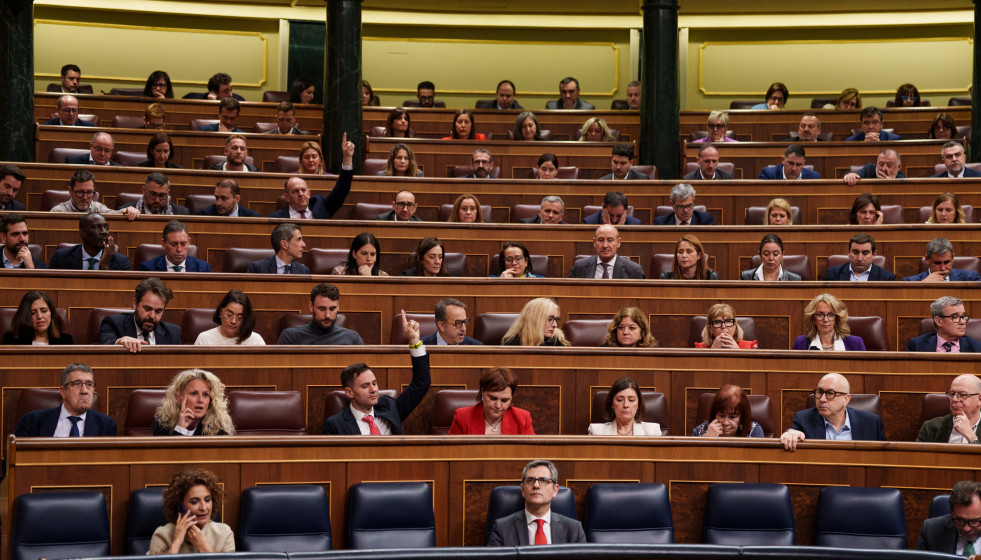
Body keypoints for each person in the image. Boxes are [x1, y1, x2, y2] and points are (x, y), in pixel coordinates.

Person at [322, 310, 429, 434]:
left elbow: (422, 383)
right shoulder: (335, 425)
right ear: (349, 392)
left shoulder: (390, 408)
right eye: (365, 386)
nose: (373, 389)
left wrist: (414, 341)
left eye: (374, 383)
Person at [487, 460, 586, 546]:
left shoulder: (574, 529)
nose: (536, 485)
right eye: (530, 480)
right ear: (522, 489)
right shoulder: (502, 528)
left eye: (544, 480)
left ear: (555, 490)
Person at [779, 373, 887, 451]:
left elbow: (883, 458)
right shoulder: (803, 419)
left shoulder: (871, 423)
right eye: (819, 392)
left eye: (830, 394)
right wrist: (790, 434)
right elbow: (793, 434)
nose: (822, 399)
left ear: (846, 399)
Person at [14, 363, 116, 437]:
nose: (84, 391)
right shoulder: (32, 421)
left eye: (89, 384)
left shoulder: (106, 425)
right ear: (63, 391)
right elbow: (12, 463)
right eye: (77, 384)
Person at [148, 468, 234, 554]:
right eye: (194, 502)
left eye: (207, 500)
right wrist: (176, 544)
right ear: (179, 506)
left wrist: (204, 549)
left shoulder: (224, 533)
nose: (203, 508)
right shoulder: (162, 535)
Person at [268, 134, 355, 218]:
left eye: (303, 190)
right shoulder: (276, 217)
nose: (301, 194)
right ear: (287, 197)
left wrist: (347, 157)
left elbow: (342, 190)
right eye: (295, 191)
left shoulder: (322, 207)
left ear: (309, 193)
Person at [98, 277, 181, 351]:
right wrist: (119, 342)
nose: (152, 316)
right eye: (147, 309)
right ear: (135, 303)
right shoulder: (113, 323)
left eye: (158, 311)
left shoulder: (173, 332)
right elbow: (106, 342)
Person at [449, 368, 533, 435]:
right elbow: (452, 453)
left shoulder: (523, 418)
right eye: (493, 398)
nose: (498, 405)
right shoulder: (462, 417)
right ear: (482, 392)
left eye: (504, 400)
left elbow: (531, 454)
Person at [152, 370, 234, 436]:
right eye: (194, 393)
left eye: (205, 395)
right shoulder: (162, 425)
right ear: (178, 397)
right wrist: (180, 429)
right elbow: (170, 456)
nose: (200, 400)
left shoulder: (217, 428)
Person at [278, 283, 364, 345]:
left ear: (338, 307)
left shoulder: (352, 338)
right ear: (311, 306)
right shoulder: (290, 336)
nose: (327, 315)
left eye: (332, 309)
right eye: (322, 309)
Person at [915, 480, 981, 554]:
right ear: (952, 512)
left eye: (974, 521)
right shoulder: (932, 530)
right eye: (959, 520)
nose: (966, 528)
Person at [48, 213, 132, 270]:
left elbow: (121, 294)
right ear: (83, 233)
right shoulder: (61, 258)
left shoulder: (121, 262)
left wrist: (105, 266)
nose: (104, 232)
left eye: (106, 227)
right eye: (97, 227)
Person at [917, 375, 981, 443]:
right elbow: (918, 453)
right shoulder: (930, 427)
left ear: (979, 399)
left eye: (963, 395)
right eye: (952, 394)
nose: (954, 399)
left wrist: (971, 437)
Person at [587, 376, 660, 435]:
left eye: (631, 400)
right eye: (619, 400)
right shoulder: (596, 432)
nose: (625, 405)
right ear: (611, 403)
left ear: (638, 404)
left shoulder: (652, 431)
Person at [567, 225, 645, 279]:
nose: (605, 245)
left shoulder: (634, 270)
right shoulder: (580, 267)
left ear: (618, 242)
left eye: (610, 240)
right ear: (594, 242)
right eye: (600, 240)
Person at [792, 294, 866, 351]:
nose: (826, 320)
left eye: (831, 315)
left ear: (836, 318)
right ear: (813, 319)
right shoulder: (801, 343)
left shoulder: (856, 344)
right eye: (820, 314)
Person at [907, 296, 981, 352]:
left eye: (963, 316)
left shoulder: (977, 347)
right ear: (939, 321)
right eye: (955, 317)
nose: (962, 322)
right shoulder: (916, 345)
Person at [50, 170, 137, 217]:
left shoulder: (98, 209)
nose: (85, 197)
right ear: (70, 191)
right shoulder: (58, 212)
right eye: (80, 192)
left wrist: (128, 210)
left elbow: (116, 214)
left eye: (89, 192)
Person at [194, 290, 265, 345]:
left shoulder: (256, 341)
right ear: (221, 312)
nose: (233, 321)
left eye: (239, 317)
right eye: (229, 315)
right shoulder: (204, 339)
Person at [138, 220, 212, 273]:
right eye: (174, 244)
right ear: (163, 244)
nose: (179, 249)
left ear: (189, 242)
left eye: (183, 244)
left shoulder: (203, 268)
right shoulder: (148, 269)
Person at [692, 385, 763, 437]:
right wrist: (706, 440)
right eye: (721, 416)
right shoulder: (699, 432)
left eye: (732, 417)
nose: (725, 423)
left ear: (742, 418)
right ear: (714, 414)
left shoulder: (754, 431)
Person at [4, 291, 72, 345]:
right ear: (25, 316)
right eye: (33, 312)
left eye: (44, 311)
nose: (39, 316)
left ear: (51, 313)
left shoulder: (65, 340)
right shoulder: (12, 340)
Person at [824, 233, 897, 281]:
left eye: (865, 253)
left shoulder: (887, 278)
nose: (859, 258)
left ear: (874, 254)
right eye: (855, 252)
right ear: (849, 252)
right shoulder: (833, 274)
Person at [903, 238, 981, 282]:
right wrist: (924, 284)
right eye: (937, 263)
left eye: (947, 262)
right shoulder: (908, 282)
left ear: (953, 258)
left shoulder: (971, 278)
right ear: (927, 259)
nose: (943, 268)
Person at [502, 298, 570, 346]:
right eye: (550, 319)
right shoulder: (512, 342)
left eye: (556, 319)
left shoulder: (557, 340)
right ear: (535, 319)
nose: (555, 325)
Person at [120, 172, 190, 216]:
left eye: (162, 195)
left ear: (168, 193)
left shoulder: (182, 213)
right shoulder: (125, 212)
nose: (157, 200)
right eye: (152, 194)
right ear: (144, 190)